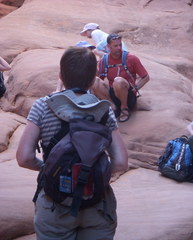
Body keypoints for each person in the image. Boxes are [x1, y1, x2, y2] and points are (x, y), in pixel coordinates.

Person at [16, 47, 128, 239]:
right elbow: (120, 163)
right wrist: (89, 172)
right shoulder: (104, 110)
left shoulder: (43, 106)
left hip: (54, 205)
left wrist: (49, 168)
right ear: (94, 79)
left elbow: (24, 158)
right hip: (97, 203)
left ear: (61, 75)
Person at [95, 33, 150, 122]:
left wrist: (136, 88)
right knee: (94, 81)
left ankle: (124, 108)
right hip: (113, 94)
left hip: (128, 95)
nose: (119, 48)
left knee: (118, 81)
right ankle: (113, 107)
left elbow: (146, 77)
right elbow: (99, 79)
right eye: (115, 46)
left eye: (120, 45)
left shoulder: (131, 58)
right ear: (109, 46)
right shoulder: (104, 60)